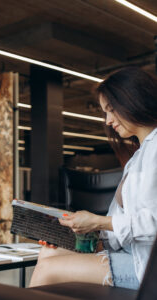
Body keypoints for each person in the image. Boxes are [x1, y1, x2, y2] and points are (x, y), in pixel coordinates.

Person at [29, 67, 157, 290]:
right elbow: (120, 232)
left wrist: (98, 222)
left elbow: (152, 222)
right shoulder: (139, 156)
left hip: (147, 268)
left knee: (48, 270)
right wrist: (80, 236)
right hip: (131, 254)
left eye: (111, 110)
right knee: (48, 253)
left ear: (133, 99)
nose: (107, 121)